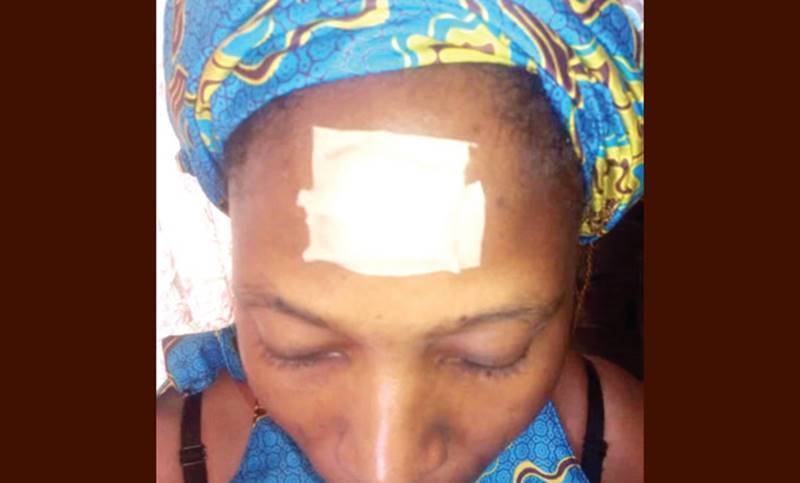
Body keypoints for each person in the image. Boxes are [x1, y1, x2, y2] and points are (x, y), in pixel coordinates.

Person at [156, 1, 644, 482]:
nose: (386, 468)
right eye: (297, 348)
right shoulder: (169, 457)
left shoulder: (616, 443)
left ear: (573, 279)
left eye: (490, 354)